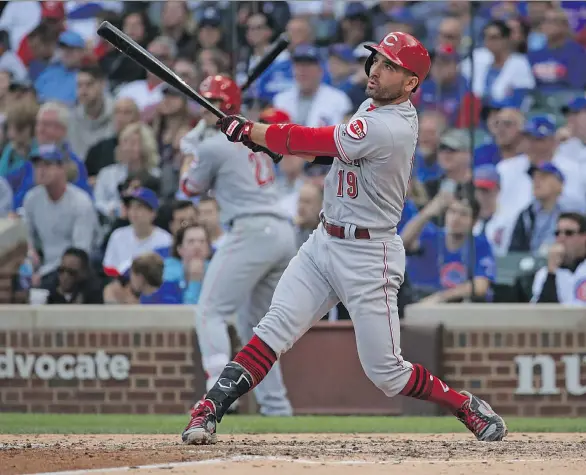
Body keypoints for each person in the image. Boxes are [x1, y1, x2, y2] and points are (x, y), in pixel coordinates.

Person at [182, 32, 508, 445]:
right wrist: (258, 139)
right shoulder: (373, 105)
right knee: (273, 328)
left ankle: (465, 405)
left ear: (411, 83)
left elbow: (314, 141)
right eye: (376, 60)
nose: (376, 69)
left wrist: (252, 129)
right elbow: (325, 152)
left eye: (389, 66)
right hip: (324, 242)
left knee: (387, 373)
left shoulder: (390, 125)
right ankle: (208, 409)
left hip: (370, 254)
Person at [179, 75, 295, 419]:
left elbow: (188, 186)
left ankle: (216, 393)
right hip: (281, 233)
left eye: (205, 104)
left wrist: (189, 151)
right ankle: (277, 409)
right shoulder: (250, 134)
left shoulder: (212, 145)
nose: (201, 111)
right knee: (259, 329)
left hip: (250, 231)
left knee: (209, 311)